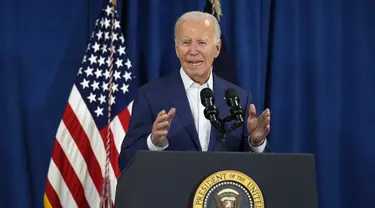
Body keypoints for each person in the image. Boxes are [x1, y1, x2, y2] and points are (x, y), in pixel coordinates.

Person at [118, 11, 271, 171]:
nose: (193, 50)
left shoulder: (238, 98)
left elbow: (261, 170)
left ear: (217, 49)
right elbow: (126, 161)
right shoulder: (150, 96)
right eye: (186, 42)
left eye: (202, 43)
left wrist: (257, 143)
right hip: (171, 194)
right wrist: (153, 142)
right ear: (177, 49)